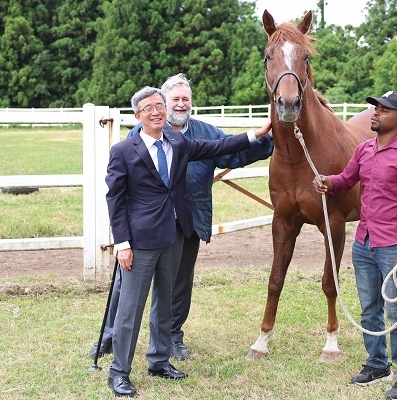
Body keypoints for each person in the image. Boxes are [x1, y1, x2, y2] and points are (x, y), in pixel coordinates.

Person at [88, 73, 273, 363]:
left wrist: (267, 139)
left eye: (185, 99)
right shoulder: (136, 138)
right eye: (174, 98)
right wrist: (123, 238)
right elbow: (121, 190)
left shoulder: (202, 133)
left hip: (187, 221)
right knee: (128, 285)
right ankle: (110, 337)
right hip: (145, 228)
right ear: (157, 106)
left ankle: (172, 338)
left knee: (178, 283)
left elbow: (230, 150)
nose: (180, 104)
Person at [313, 91, 397, 400]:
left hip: (393, 245)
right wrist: (329, 181)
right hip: (363, 243)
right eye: (375, 108)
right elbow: (347, 179)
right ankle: (378, 364)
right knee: (369, 309)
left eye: (384, 110)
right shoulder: (364, 149)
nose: (375, 113)